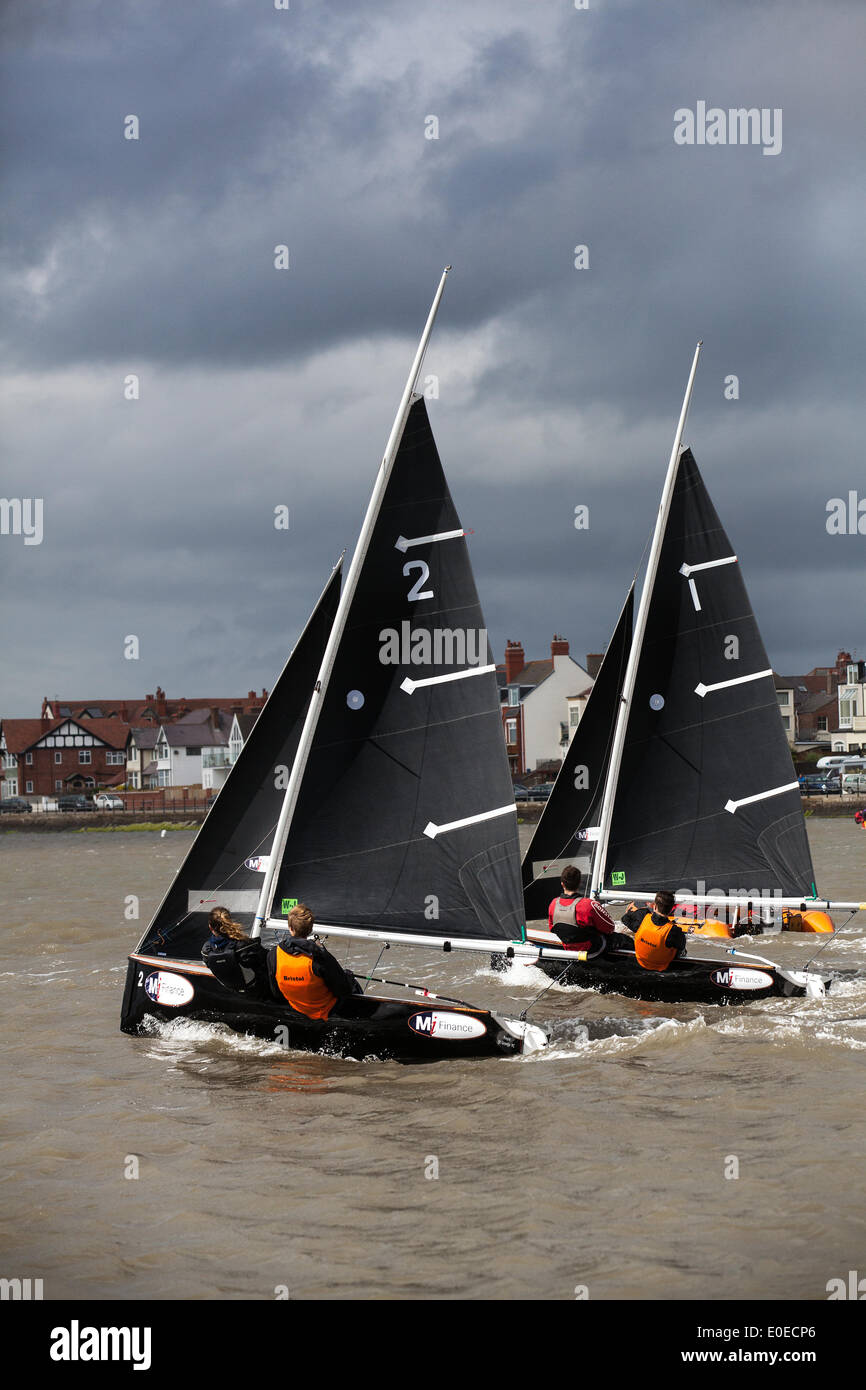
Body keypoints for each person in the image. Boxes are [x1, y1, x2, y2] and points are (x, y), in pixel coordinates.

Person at [268, 903, 360, 1019]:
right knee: (350, 980)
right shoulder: (319, 956)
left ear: (290, 928)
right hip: (325, 1012)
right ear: (310, 929)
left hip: (295, 1008)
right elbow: (343, 990)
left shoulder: (274, 954)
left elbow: (276, 992)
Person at [548, 865, 630, 957]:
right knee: (626, 940)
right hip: (592, 950)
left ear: (562, 884)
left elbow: (552, 928)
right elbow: (610, 927)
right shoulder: (589, 905)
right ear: (579, 884)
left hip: (569, 948)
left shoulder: (553, 904)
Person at [202, 905, 269, 995]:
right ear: (229, 921)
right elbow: (264, 960)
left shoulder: (206, 950)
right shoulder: (243, 945)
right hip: (254, 988)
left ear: (210, 927)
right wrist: (255, 945)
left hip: (229, 988)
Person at [621, 891, 689, 972]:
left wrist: (638, 929)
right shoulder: (674, 931)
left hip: (640, 961)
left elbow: (624, 919)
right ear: (671, 910)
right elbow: (681, 948)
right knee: (681, 949)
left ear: (655, 906)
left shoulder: (643, 916)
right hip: (662, 967)